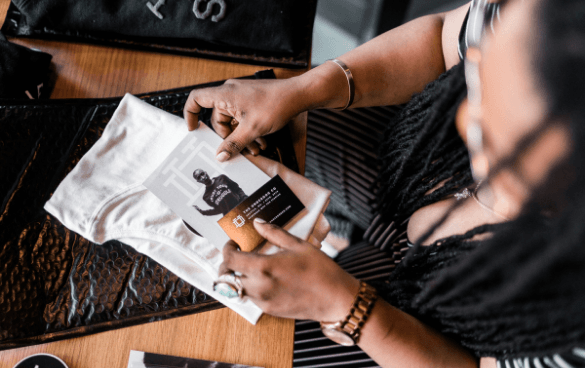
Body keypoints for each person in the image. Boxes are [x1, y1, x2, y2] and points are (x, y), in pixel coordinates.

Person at [182, 0, 585, 367]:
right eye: (479, 76)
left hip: (443, 337)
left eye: (497, 144)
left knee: (240, 343)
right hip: (407, 171)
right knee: (271, 129)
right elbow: (444, 38)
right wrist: (305, 88)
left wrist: (347, 307)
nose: (464, 119)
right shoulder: (548, 15)